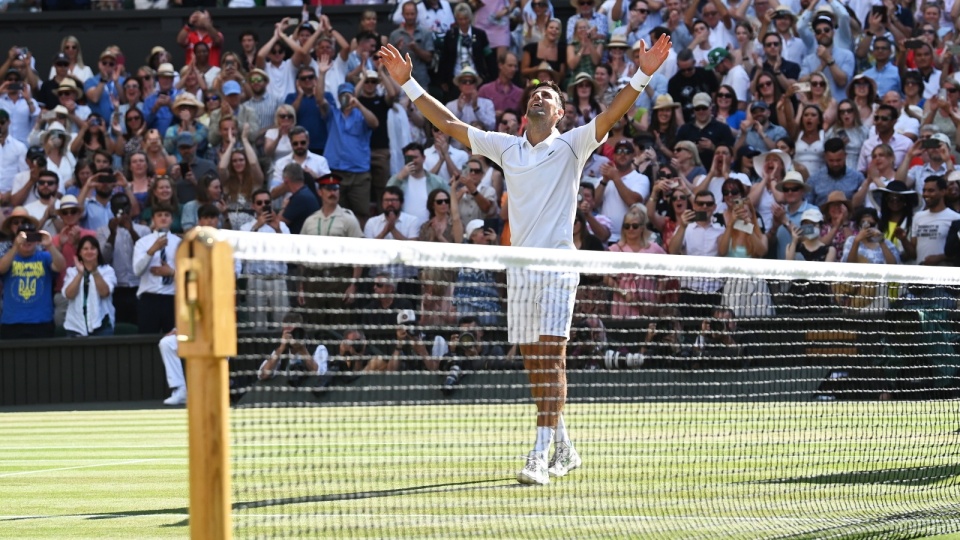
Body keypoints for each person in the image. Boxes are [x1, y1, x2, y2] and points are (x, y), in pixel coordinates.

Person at [380, 33, 672, 485]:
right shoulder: (506, 147)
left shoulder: (574, 144)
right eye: (535, 93)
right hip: (520, 272)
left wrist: (644, 71)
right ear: (526, 112)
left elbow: (614, 111)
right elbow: (452, 123)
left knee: (552, 354)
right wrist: (409, 83)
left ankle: (538, 453)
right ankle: (566, 447)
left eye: (548, 97)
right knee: (535, 360)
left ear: (558, 114)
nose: (539, 96)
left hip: (558, 266)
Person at [0, 217, 65, 340]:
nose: (27, 241)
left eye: (31, 237)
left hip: (41, 321)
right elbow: (1, 268)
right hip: (12, 322)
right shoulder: (8, 257)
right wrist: (15, 247)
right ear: (16, 239)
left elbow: (61, 265)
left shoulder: (45, 256)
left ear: (37, 240)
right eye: (23, 237)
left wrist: (50, 245)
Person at [133, 203, 180, 334]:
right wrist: (152, 250)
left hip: (172, 298)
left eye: (167, 215)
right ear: (153, 219)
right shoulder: (142, 243)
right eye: (159, 215)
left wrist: (171, 272)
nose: (163, 218)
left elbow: (189, 275)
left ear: (172, 219)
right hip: (149, 298)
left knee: (174, 343)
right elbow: (137, 271)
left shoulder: (180, 243)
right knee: (146, 342)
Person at [63, 235, 116, 337]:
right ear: (80, 252)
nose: (89, 252)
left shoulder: (107, 270)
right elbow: (69, 295)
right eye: (85, 249)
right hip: (75, 326)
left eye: (92, 248)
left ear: (98, 251)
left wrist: (95, 271)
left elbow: (105, 293)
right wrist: (80, 274)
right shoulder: (72, 272)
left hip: (102, 325)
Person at [911, 175, 960, 266]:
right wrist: (902, 239)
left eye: (931, 191)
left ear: (943, 192)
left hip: (944, 274)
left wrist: (939, 257)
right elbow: (913, 252)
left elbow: (957, 252)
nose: (925, 194)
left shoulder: (956, 218)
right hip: (920, 273)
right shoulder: (917, 216)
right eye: (924, 190)